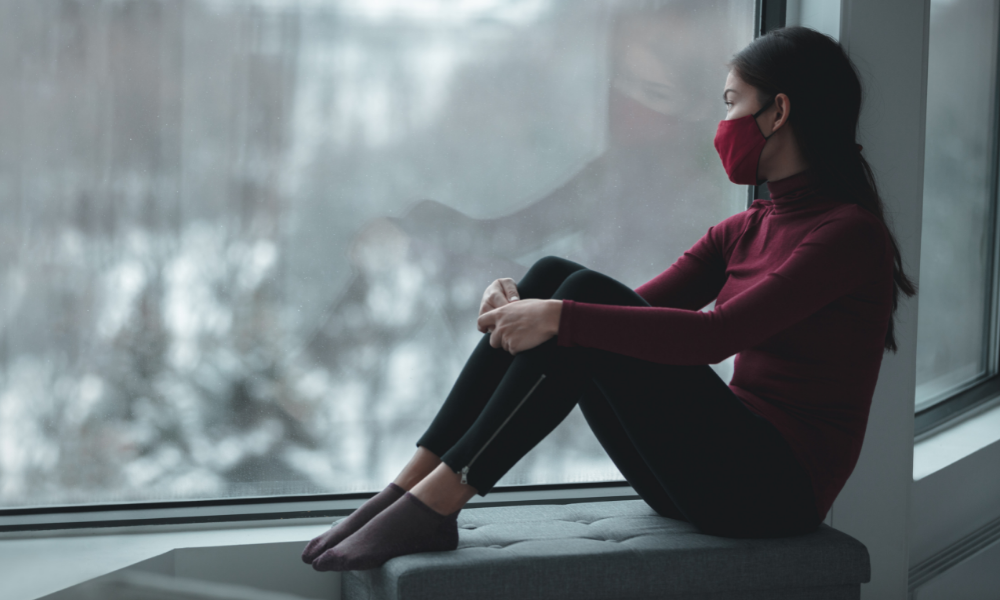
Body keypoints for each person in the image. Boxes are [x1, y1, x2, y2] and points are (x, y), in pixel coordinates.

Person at [301, 26, 916, 572]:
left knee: (574, 308)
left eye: (731, 105)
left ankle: (440, 500)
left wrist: (559, 316)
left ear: (777, 112)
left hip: (775, 492)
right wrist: (527, 300)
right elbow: (628, 318)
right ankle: (408, 488)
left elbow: (714, 335)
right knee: (554, 277)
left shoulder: (848, 235)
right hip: (710, 477)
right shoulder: (748, 226)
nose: (721, 127)